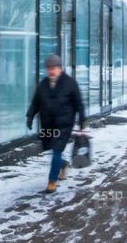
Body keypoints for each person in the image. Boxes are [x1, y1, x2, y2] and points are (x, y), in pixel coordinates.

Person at [26, 54, 85, 193]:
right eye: (49, 69)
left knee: (57, 150)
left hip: (64, 124)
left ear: (60, 68)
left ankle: (52, 181)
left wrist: (82, 121)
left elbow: (79, 104)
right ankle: (63, 164)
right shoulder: (43, 84)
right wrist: (30, 116)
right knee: (52, 150)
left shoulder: (70, 83)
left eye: (53, 68)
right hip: (48, 124)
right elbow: (36, 101)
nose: (51, 71)